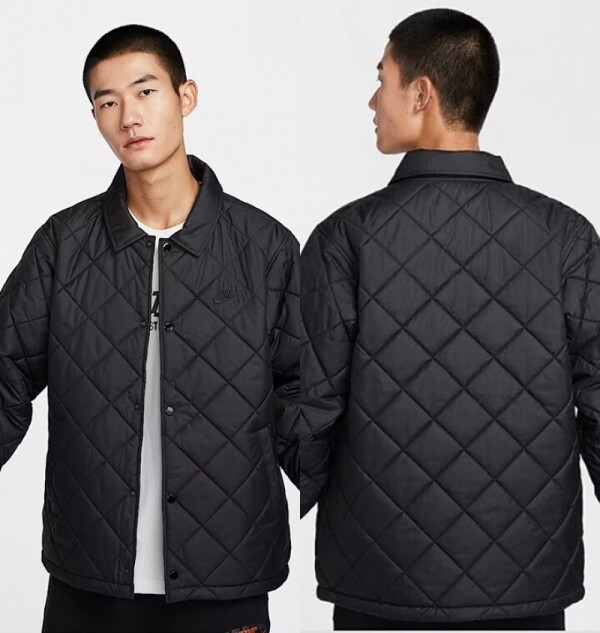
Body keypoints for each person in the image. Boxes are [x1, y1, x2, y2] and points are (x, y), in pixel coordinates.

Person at [300, 8, 598, 631]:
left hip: (379, 576)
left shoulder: (344, 237)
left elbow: (311, 411)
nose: (372, 100)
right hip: (527, 578)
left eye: (381, 79)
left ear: (421, 93)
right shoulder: (567, 236)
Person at [0, 24, 299, 633]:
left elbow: (305, 399)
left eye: (145, 91)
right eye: (107, 102)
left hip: (229, 575)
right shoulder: (64, 245)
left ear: (186, 97)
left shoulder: (264, 247)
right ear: (95, 117)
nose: (129, 117)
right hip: (90, 575)